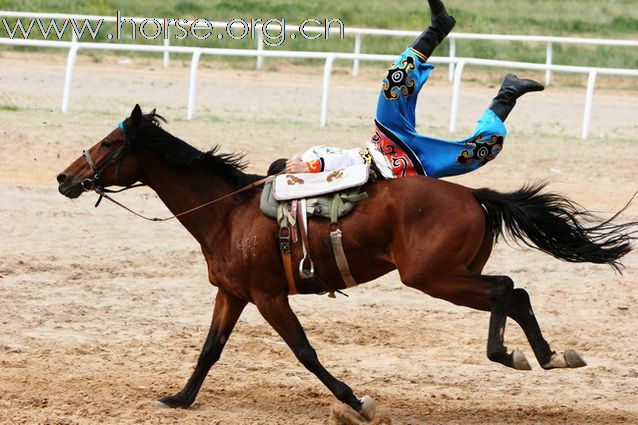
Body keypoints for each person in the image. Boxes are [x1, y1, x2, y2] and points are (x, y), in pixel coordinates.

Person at [284, 0, 544, 179]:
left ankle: (437, 27)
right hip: (416, 167)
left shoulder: (311, 156)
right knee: (477, 153)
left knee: (394, 84)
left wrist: (311, 166)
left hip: (386, 144)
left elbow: (346, 161)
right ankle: (508, 94)